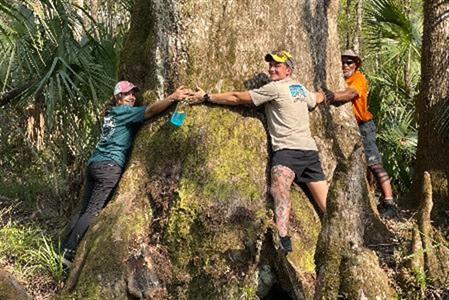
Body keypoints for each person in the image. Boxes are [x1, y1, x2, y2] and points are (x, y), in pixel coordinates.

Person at [190, 50, 328, 252]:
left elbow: (238, 97)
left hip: (289, 151)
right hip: (307, 152)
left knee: (280, 191)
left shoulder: (275, 88)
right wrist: (328, 95)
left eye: (277, 66)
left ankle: (283, 237)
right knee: (322, 204)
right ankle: (327, 238)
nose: (271, 69)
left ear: (288, 70)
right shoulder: (299, 89)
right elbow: (315, 98)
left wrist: (207, 97)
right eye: (270, 66)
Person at [60, 81, 192, 267]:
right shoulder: (124, 112)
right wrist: (172, 97)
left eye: (133, 93)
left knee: (83, 209)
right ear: (117, 98)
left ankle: (63, 248)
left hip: (94, 164)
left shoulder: (111, 113)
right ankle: (69, 254)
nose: (132, 97)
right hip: (109, 166)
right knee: (92, 210)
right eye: (127, 94)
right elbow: (150, 111)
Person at [323, 49, 396, 217]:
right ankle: (370, 193)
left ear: (356, 65)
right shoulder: (336, 78)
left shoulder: (358, 79)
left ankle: (389, 202)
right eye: (343, 61)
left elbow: (351, 93)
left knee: (374, 163)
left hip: (363, 126)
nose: (345, 65)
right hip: (344, 127)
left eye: (349, 62)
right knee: (358, 164)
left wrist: (331, 96)